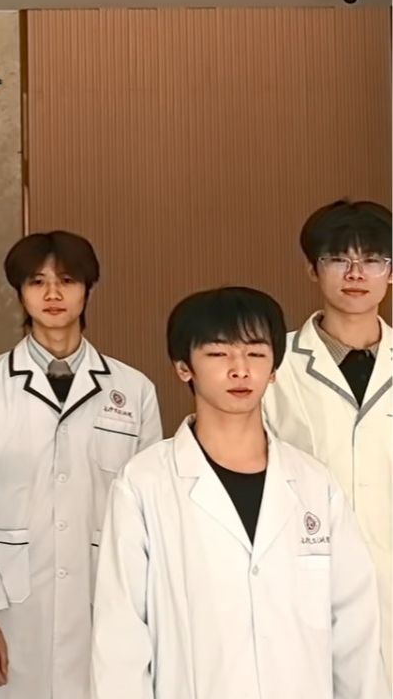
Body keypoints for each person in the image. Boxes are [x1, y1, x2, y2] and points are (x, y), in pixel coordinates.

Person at [92, 287, 387, 698]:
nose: (240, 369)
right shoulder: (144, 484)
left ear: (274, 368)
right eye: (218, 353)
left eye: (255, 353)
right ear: (184, 367)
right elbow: (120, 639)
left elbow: (354, 632)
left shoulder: (316, 485)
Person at [0, 232, 163, 698]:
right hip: (7, 608)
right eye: (37, 282)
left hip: (102, 604)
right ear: (19, 293)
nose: (52, 294)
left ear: (88, 288)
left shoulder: (134, 391)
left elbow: (150, 515)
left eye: (66, 280)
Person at [264, 199, 392, 684]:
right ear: (312, 270)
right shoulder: (273, 366)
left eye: (372, 259)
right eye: (339, 258)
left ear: (391, 272)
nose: (355, 273)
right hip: (303, 578)